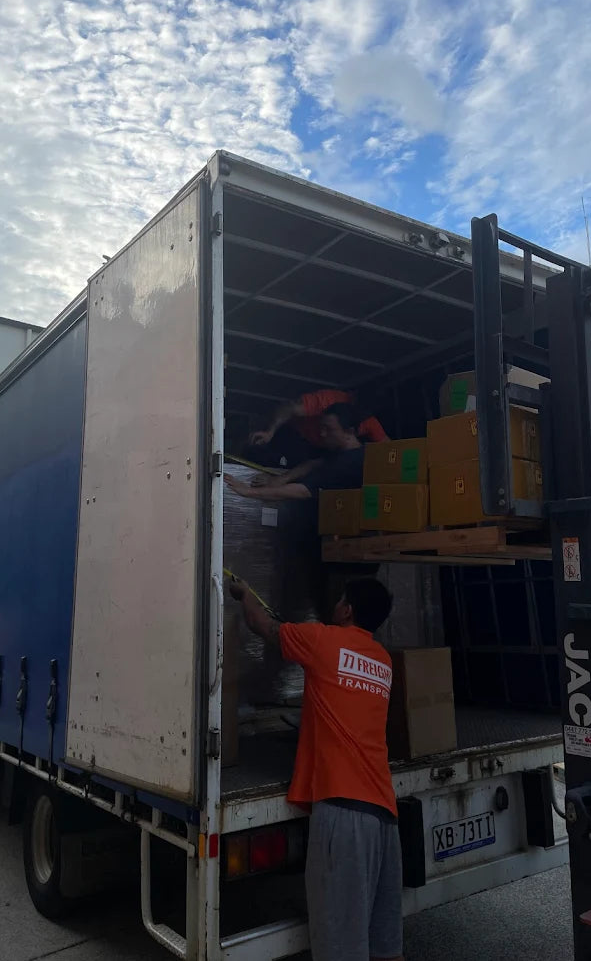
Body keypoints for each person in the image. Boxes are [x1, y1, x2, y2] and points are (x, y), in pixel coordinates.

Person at [228, 575, 404, 961]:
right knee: (385, 947)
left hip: (343, 814)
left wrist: (243, 593)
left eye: (340, 599)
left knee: (341, 947)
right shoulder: (383, 662)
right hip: (384, 815)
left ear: (347, 609)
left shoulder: (323, 641)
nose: (336, 603)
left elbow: (262, 625)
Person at [226, 402, 366, 504]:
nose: (322, 434)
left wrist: (248, 491)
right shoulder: (341, 454)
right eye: (322, 428)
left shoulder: (348, 464)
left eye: (329, 429)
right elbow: (312, 464)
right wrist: (281, 479)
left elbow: (303, 491)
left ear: (350, 432)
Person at [247, 388, 387, 468]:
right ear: (352, 398)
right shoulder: (329, 399)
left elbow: (389, 447)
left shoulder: (368, 420)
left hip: (324, 452)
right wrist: (270, 431)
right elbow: (290, 407)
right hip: (298, 437)